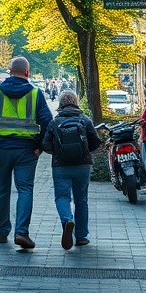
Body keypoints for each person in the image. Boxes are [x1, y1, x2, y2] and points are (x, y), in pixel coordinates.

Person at [0, 56, 53, 249]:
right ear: (27, 72)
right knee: (25, 189)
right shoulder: (36, 94)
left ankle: (2, 233)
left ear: (9, 71)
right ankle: (22, 232)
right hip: (26, 151)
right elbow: (48, 122)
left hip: (0, 149)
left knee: (1, 190)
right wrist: (40, 145)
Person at [41, 90, 101, 249]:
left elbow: (45, 145)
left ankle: (67, 220)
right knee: (81, 200)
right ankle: (81, 237)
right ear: (76, 102)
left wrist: (57, 150)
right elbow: (95, 144)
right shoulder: (85, 120)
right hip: (83, 166)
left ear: (60, 103)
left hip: (61, 166)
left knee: (62, 197)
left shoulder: (55, 122)